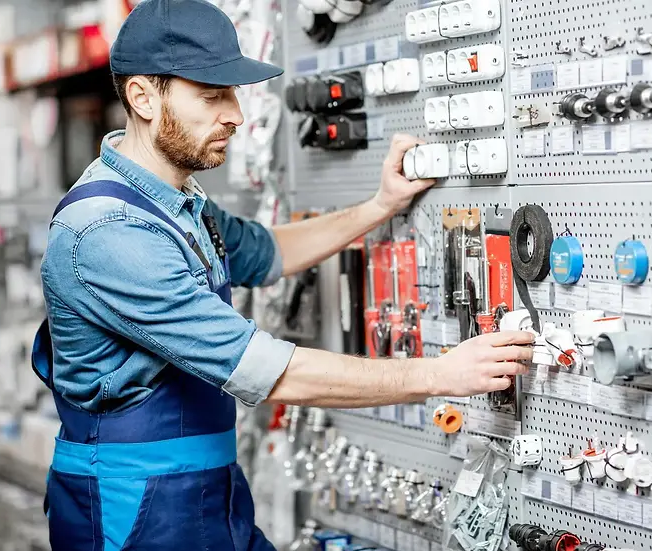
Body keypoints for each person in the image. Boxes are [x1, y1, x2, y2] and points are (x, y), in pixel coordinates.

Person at [32, 0, 535, 549]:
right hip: (133, 510)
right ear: (143, 97)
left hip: (205, 493)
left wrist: (378, 207)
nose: (236, 115)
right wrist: (441, 375)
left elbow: (266, 251)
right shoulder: (108, 232)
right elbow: (269, 372)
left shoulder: (172, 201)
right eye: (212, 96)